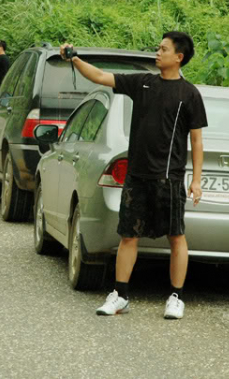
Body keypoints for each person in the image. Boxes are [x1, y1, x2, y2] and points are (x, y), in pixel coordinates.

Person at [61, 32, 207, 320]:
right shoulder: (142, 83)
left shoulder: (189, 94)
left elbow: (197, 141)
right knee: (129, 236)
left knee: (176, 236)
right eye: (158, 48)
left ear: (179, 57)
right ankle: (120, 295)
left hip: (170, 179)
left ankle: (176, 297)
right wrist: (75, 59)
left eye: (164, 49)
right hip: (137, 177)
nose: (158, 52)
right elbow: (101, 76)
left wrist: (196, 180)